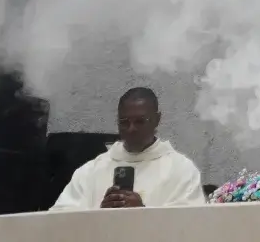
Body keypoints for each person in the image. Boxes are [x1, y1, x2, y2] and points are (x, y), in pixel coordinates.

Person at [49, 88, 204, 210]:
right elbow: (60, 221)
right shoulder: (91, 171)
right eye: (124, 122)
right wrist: (98, 214)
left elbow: (191, 227)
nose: (131, 129)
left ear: (157, 120)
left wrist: (143, 214)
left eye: (140, 121)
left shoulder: (182, 171)